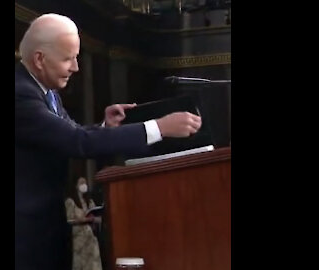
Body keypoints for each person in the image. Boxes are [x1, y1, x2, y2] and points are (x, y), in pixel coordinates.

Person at [15, 13, 202, 270]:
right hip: (25, 240)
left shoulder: (45, 91)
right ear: (39, 59)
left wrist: (105, 127)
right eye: (68, 59)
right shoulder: (21, 94)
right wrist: (159, 127)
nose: (76, 67)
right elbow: (76, 141)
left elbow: (71, 133)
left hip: (43, 233)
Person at [65, 177, 103, 270]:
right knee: (81, 263)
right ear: (76, 185)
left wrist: (96, 219)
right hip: (79, 238)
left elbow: (94, 214)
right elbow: (69, 220)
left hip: (90, 236)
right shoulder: (70, 201)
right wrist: (83, 219)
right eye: (81, 183)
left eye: (85, 183)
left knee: (93, 263)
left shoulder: (89, 201)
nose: (84, 185)